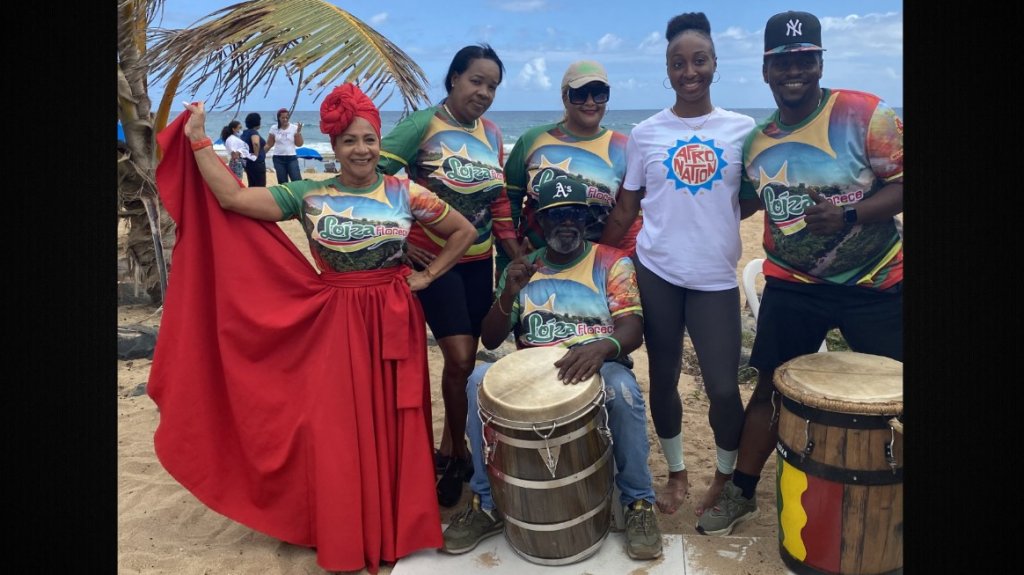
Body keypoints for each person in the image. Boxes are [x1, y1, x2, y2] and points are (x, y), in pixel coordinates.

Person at [149, 83, 477, 574]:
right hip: (336, 321)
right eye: (349, 141)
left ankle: (397, 526)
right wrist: (198, 140)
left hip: (393, 319)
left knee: (396, 420)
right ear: (334, 146)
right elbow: (233, 200)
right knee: (338, 427)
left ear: (379, 141)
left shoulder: (405, 192)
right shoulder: (310, 194)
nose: (361, 150)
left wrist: (428, 276)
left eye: (369, 139)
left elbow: (463, 232)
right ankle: (348, 527)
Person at [696, 10, 904, 536]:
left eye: (805, 59)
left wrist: (849, 216)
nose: (794, 71)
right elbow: (742, 203)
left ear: (819, 63)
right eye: (783, 62)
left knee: (898, 390)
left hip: (875, 281)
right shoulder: (757, 143)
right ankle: (742, 492)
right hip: (794, 285)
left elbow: (903, 183)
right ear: (766, 70)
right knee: (771, 388)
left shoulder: (865, 113)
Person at [441, 177, 662, 560]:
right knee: (477, 381)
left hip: (598, 366)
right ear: (539, 222)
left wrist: (601, 348)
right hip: (533, 372)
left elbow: (632, 328)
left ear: (588, 219)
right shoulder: (523, 268)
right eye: (556, 215)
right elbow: (490, 339)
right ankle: (486, 502)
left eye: (575, 214)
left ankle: (638, 503)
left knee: (623, 389)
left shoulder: (611, 261)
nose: (567, 223)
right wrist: (509, 293)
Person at [600, 12, 759, 518]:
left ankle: (725, 475)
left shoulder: (743, 130)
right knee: (664, 378)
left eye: (699, 60)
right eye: (677, 63)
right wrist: (594, 262)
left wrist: (715, 217)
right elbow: (627, 207)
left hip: (714, 278)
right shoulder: (646, 133)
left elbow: (754, 196)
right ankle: (676, 471)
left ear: (715, 63)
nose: (689, 72)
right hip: (658, 272)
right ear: (667, 70)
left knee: (723, 388)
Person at [378, 43, 521, 508]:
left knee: (466, 362)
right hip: (434, 263)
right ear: (454, 78)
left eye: (492, 86)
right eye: (476, 81)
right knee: (460, 359)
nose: (484, 93)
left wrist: (514, 252)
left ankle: (449, 448)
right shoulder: (422, 125)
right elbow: (375, 179)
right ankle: (459, 453)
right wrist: (399, 242)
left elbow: (498, 200)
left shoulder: (492, 133)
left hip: (480, 263)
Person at [501, 59, 641, 278]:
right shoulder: (532, 140)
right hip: (535, 266)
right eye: (580, 94)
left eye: (599, 93)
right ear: (565, 97)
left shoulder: (624, 148)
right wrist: (511, 257)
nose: (590, 102)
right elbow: (508, 204)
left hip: (594, 270)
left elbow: (628, 216)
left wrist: (605, 264)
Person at [267, 107, 304, 183]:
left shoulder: (294, 128)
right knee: (282, 182)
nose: (285, 119)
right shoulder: (274, 128)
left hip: (291, 158)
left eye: (287, 117)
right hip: (278, 158)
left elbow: (299, 144)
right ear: (279, 118)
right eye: (283, 118)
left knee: (296, 180)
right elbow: (269, 144)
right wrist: (260, 154)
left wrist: (298, 133)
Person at [240, 112, 267, 187]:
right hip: (257, 163)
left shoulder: (244, 133)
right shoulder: (253, 132)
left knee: (252, 184)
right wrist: (256, 155)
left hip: (248, 162)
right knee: (260, 186)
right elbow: (255, 143)